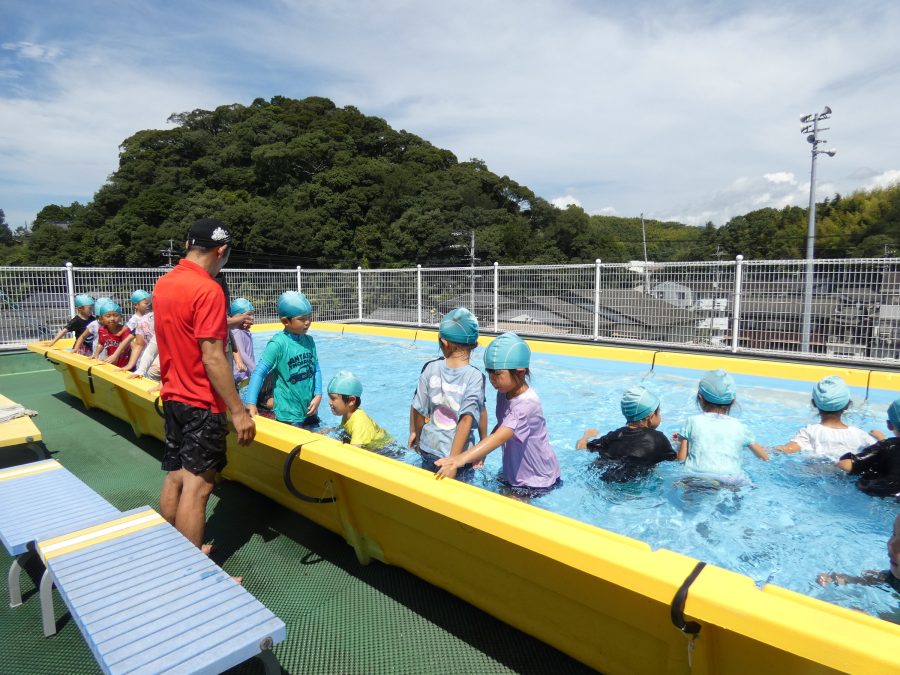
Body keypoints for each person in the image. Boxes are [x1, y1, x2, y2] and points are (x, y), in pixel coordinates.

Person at [153, 218, 255, 551]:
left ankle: (173, 552)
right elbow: (212, 357)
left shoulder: (164, 283)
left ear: (187, 244)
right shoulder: (208, 289)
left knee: (175, 475)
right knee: (198, 487)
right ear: (222, 250)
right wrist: (238, 411)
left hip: (173, 395)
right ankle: (192, 568)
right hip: (201, 401)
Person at [435, 332, 560, 496]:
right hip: (515, 472)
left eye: (497, 373)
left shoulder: (527, 404)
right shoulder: (504, 393)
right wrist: (482, 452)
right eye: (489, 372)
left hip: (535, 479)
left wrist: (459, 459)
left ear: (520, 372)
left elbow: (500, 437)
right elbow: (502, 426)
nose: (492, 379)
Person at [409, 308, 487, 470]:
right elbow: (473, 415)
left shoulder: (430, 368)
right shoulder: (475, 377)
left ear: (444, 342)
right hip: (460, 455)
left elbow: (418, 407)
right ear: (475, 344)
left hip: (430, 449)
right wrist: (482, 444)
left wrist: (415, 433)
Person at [243, 291, 322, 427]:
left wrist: (318, 394)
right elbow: (259, 372)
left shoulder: (309, 341)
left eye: (309, 317)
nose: (308, 322)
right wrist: (251, 403)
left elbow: (316, 369)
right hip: (288, 413)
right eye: (302, 319)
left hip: (309, 407)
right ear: (286, 321)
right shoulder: (278, 344)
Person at [676, 369, 769, 481]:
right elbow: (765, 458)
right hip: (731, 479)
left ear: (700, 398)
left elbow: (681, 460)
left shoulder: (691, 422)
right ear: (733, 401)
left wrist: (679, 442)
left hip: (696, 476)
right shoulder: (740, 427)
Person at [577, 385, 676, 482]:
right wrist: (682, 441)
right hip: (634, 482)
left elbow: (581, 447)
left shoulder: (615, 435)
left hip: (601, 474)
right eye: (658, 412)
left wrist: (586, 435)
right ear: (650, 416)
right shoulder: (658, 439)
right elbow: (678, 459)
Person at [775, 376, 876, 460]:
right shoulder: (861, 436)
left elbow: (788, 449)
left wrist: (768, 449)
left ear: (814, 404)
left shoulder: (808, 433)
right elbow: (879, 454)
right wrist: (881, 439)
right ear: (848, 405)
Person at [817, 513, 900, 594]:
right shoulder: (891, 577)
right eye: (894, 533)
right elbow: (860, 580)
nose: (890, 544)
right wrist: (834, 578)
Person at [836, 398, 900, 498]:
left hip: (886, 497)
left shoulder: (885, 447)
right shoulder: (887, 447)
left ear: (889, 425)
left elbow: (846, 465)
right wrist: (883, 441)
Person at [327, 371, 391, 449]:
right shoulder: (348, 414)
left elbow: (354, 451)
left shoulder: (359, 422)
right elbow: (343, 429)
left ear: (351, 401)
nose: (329, 402)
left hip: (388, 451)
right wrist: (328, 431)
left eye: (333, 398)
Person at [91, 302, 132, 367]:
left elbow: (124, 347)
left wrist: (114, 356)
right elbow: (101, 343)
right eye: (108, 316)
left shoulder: (125, 330)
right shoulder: (102, 330)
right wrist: (96, 354)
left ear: (121, 317)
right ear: (101, 319)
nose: (112, 319)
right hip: (112, 362)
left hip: (125, 364)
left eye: (115, 315)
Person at [229, 298, 255, 387]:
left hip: (247, 373)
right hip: (241, 375)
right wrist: (255, 369)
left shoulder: (244, 331)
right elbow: (242, 353)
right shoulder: (237, 332)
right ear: (237, 317)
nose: (252, 318)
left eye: (252, 314)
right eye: (248, 315)